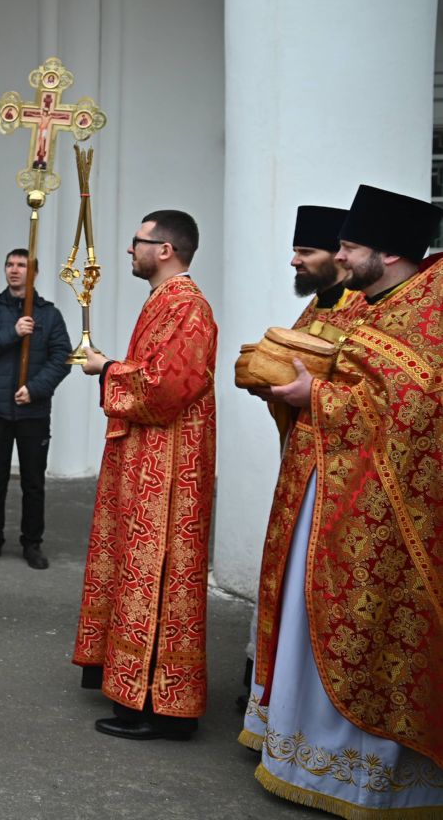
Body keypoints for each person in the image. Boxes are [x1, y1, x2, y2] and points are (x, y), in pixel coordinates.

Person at [250, 185, 443, 816]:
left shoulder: (429, 311)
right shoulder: (375, 303)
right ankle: (302, 749)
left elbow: (417, 411)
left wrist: (316, 395)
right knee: (309, 618)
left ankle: (365, 777)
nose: (339, 255)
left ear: (389, 254)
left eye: (351, 246)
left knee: (374, 635)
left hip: (388, 519)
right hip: (329, 491)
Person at [76, 209, 216, 740]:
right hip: (147, 459)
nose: (129, 250)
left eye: (137, 241)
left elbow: (166, 388)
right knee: (134, 565)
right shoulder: (163, 300)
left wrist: (107, 369)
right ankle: (130, 684)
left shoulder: (188, 307)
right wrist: (115, 368)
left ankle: (163, 706)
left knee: (159, 572)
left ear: (165, 250)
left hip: (171, 469)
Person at [234, 204, 359, 709]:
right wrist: (267, 384)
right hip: (299, 464)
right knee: (282, 574)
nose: (294, 261)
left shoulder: (361, 312)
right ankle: (267, 690)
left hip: (338, 481)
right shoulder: (313, 311)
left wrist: (307, 393)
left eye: (306, 251)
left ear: (338, 256)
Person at [0, 248, 70, 569]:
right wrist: (13, 332)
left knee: (33, 482)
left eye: (22, 265)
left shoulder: (50, 316)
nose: (14, 270)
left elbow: (62, 358)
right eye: (9, 264)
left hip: (32, 412)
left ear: (33, 273)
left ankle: (32, 543)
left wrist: (35, 390)